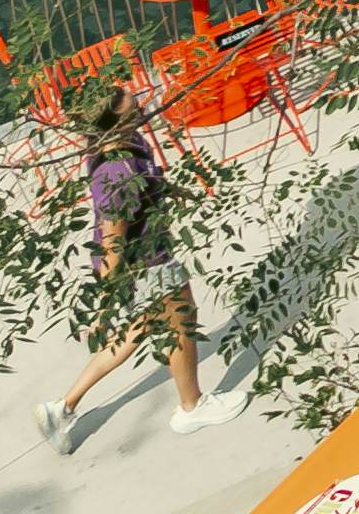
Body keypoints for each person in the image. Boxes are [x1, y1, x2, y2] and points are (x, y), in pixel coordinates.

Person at [35, 95, 242, 438]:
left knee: (139, 327)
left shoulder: (125, 144)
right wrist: (104, 307)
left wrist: (168, 189)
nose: (143, 109)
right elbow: (112, 241)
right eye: (134, 108)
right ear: (114, 121)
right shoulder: (117, 171)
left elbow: (144, 184)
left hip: (142, 256)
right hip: (144, 262)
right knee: (181, 324)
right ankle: (192, 406)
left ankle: (62, 407)